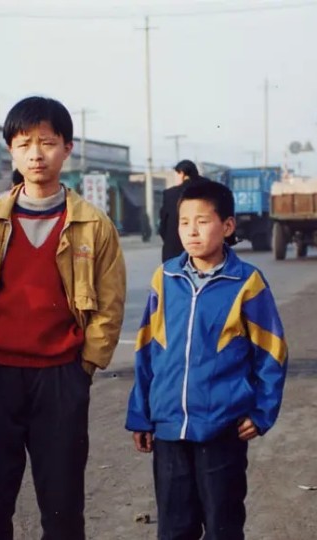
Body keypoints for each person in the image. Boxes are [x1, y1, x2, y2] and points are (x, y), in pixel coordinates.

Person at [0, 96, 126, 539]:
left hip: (61, 377)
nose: (36, 154)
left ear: (67, 148)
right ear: (11, 152)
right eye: (24, 144)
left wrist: (85, 365)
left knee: (63, 509)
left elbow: (110, 302)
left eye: (47, 142)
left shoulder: (93, 225)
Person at [126, 181, 288, 540]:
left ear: (227, 226)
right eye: (184, 222)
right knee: (174, 528)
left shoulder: (246, 282)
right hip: (169, 428)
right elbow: (147, 349)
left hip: (222, 428)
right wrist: (141, 414)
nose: (191, 231)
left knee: (222, 526)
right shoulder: (165, 277)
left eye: (202, 221)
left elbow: (272, 351)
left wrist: (262, 411)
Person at [158, 159, 210, 262]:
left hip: (174, 252)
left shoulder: (170, 194)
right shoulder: (210, 189)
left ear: (181, 174)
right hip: (204, 251)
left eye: (176, 175)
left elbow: (163, 226)